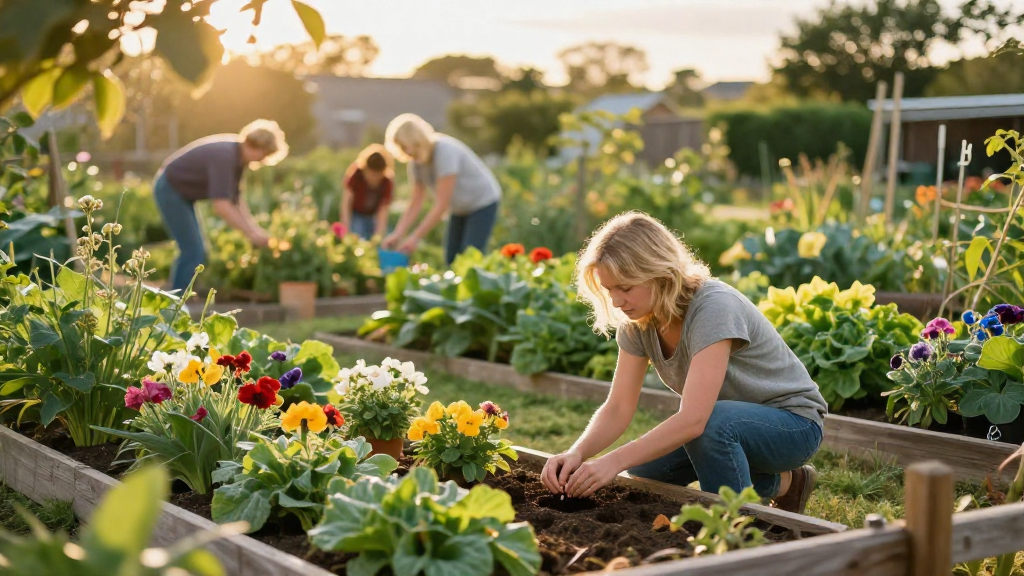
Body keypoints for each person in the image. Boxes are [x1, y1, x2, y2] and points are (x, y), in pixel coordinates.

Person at [540, 212, 827, 514]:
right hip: (719, 423)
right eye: (610, 289)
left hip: (793, 425)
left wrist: (612, 460)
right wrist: (577, 453)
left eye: (625, 288)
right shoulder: (638, 321)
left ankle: (736, 529)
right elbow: (618, 407)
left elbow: (693, 420)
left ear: (659, 273)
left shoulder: (713, 307)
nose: (616, 301)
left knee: (710, 425)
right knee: (647, 471)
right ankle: (787, 485)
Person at [153, 119, 288, 293]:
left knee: (195, 250)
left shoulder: (237, 156)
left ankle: (178, 297)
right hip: (170, 189)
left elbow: (236, 199)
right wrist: (250, 234)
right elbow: (222, 205)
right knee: (193, 251)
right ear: (258, 147)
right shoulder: (226, 157)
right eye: (263, 156)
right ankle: (174, 305)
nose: (261, 161)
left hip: (180, 192)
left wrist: (255, 230)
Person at [381, 113, 501, 264]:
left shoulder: (445, 152)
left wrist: (415, 238)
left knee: (470, 256)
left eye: (405, 146)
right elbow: (416, 202)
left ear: (415, 141)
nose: (405, 151)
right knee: (451, 258)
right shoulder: (416, 163)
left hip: (482, 202)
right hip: (458, 208)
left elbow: (441, 204)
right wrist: (398, 234)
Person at [341, 144, 394, 240]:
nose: (374, 179)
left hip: (373, 216)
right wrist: (346, 228)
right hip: (356, 214)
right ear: (365, 169)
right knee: (358, 233)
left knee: (386, 235)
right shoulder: (356, 175)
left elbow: (383, 212)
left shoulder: (387, 182)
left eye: (378, 176)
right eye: (372, 175)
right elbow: (346, 204)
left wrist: (378, 237)